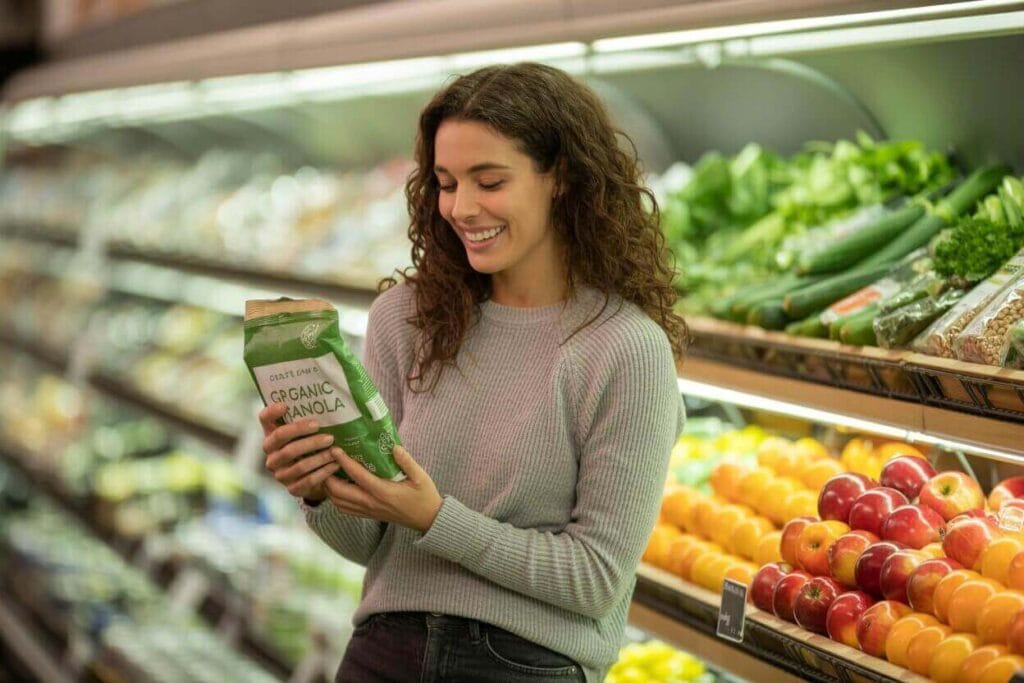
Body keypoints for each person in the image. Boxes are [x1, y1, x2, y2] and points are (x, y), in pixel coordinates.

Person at [259, 62, 688, 682]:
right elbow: (367, 544)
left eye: (489, 181)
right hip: (383, 652)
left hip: (525, 668)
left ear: (561, 178)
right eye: (445, 182)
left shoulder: (625, 350)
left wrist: (436, 520)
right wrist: (320, 487)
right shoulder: (405, 319)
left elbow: (595, 578)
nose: (461, 208)